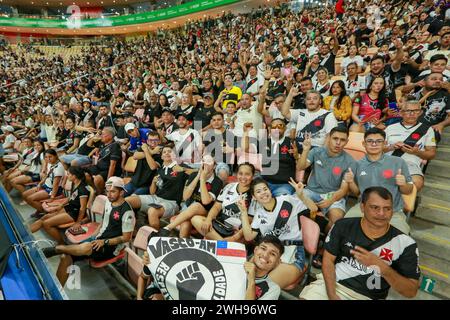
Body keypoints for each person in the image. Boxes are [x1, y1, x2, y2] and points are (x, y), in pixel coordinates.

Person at [300, 187, 420, 300]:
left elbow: (411, 291)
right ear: (362, 207)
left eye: (387, 208)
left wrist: (383, 268)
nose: (382, 213)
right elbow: (328, 260)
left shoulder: (405, 243)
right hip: (331, 286)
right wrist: (331, 293)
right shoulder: (343, 226)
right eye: (375, 207)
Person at [42, 177, 135, 287]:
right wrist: (94, 235)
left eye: (113, 192)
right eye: (108, 191)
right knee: (65, 257)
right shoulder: (109, 202)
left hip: (111, 247)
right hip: (98, 239)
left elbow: (126, 238)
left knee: (86, 247)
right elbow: (103, 222)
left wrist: (104, 242)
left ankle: (57, 249)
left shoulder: (127, 212)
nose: (109, 195)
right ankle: (56, 290)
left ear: (122, 192)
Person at [239, 177, 317, 289]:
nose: (263, 193)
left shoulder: (287, 200)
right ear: (255, 198)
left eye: (265, 189)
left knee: (261, 289)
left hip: (293, 251)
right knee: (244, 280)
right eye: (258, 191)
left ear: (270, 190)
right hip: (270, 252)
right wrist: (243, 212)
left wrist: (301, 195)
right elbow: (248, 236)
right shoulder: (259, 214)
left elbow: (313, 208)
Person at [345, 128, 414, 234]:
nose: (374, 144)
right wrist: (350, 182)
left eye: (379, 141)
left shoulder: (398, 162)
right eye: (370, 141)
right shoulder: (357, 164)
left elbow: (408, 191)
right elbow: (358, 193)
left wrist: (403, 184)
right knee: (342, 229)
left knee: (400, 239)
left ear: (385, 143)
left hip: (392, 211)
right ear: (364, 143)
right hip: (363, 209)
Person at [298, 126, 357, 232]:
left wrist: (331, 200)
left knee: (337, 221)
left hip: (333, 194)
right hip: (311, 191)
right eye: (335, 138)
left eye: (342, 140)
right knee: (295, 209)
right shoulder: (316, 151)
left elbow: (343, 189)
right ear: (328, 138)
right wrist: (306, 150)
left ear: (347, 142)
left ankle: (322, 237)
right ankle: (308, 234)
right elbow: (300, 167)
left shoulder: (350, 161)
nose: (338, 143)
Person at [154, 155, 223, 238]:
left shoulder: (217, 181)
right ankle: (182, 247)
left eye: (208, 163)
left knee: (196, 206)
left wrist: (202, 179)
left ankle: (168, 228)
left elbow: (205, 201)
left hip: (205, 211)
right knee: (185, 225)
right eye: (203, 162)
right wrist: (198, 176)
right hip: (188, 208)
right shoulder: (194, 175)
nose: (205, 165)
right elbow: (185, 196)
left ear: (214, 166)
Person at [126, 145, 187, 231]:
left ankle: (154, 238)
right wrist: (154, 183)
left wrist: (185, 169)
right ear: (161, 156)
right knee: (128, 200)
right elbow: (152, 192)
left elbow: (196, 171)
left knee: (152, 211)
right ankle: (129, 230)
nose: (167, 153)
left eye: (169, 151)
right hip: (155, 198)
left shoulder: (181, 167)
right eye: (164, 152)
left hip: (171, 202)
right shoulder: (160, 170)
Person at [191, 163, 255, 242]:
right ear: (236, 174)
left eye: (247, 174)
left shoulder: (254, 194)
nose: (243, 177)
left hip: (237, 232)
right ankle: (222, 242)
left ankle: (221, 241)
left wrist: (235, 237)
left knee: (244, 239)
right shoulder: (229, 186)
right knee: (195, 219)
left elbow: (250, 221)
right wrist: (208, 219)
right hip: (220, 225)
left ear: (253, 176)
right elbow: (217, 207)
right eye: (240, 173)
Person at [385, 99, 436, 191]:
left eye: (416, 111)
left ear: (420, 112)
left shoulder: (427, 130)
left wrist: (417, 152)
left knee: (417, 183)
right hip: (389, 162)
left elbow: (431, 154)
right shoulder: (390, 128)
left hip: (410, 165)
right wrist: (391, 147)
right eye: (408, 111)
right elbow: (379, 149)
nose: (412, 114)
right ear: (401, 113)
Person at [30, 166, 90, 244]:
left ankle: (62, 243)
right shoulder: (74, 183)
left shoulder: (83, 189)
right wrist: (60, 205)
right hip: (69, 207)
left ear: (74, 176)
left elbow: (82, 207)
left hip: (74, 213)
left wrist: (78, 222)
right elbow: (70, 197)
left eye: (69, 174)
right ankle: (24, 234)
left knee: (46, 224)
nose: (67, 176)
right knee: (44, 217)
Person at [23, 149, 65, 218]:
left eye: (50, 157)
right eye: (46, 157)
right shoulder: (50, 163)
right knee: (25, 195)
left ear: (56, 156)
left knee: (30, 198)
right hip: (46, 185)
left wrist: (52, 197)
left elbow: (56, 184)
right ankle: (40, 210)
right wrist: (40, 183)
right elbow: (47, 175)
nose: (48, 159)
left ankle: (47, 213)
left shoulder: (59, 168)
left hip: (53, 190)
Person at [123, 131, 163, 196]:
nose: (153, 142)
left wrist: (147, 151)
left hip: (146, 186)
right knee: (119, 195)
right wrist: (152, 152)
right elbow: (135, 156)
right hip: (133, 182)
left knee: (131, 198)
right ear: (147, 141)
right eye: (150, 140)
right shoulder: (143, 147)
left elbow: (152, 167)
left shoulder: (161, 153)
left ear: (159, 141)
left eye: (155, 140)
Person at [85, 127, 122, 194]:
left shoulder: (115, 146)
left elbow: (112, 165)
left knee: (97, 179)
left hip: (108, 170)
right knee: (84, 174)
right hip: (98, 167)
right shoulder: (102, 144)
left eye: (103, 134)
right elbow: (96, 156)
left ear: (110, 136)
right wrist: (92, 165)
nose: (101, 136)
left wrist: (108, 181)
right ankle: (94, 190)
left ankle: (100, 194)